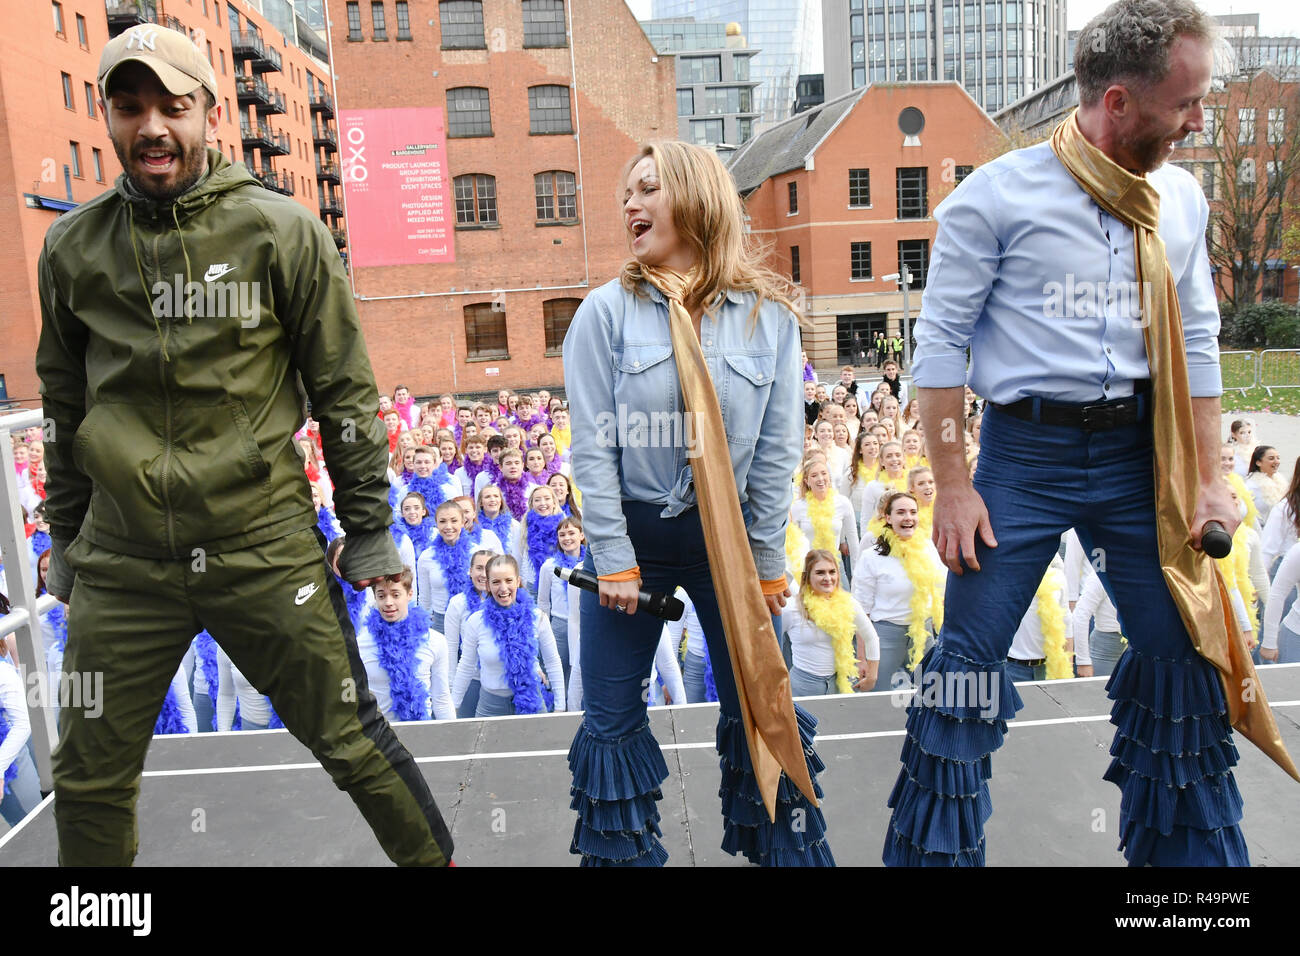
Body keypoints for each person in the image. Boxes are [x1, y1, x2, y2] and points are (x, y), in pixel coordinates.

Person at [884, 0, 1291, 868]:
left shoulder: (1180, 199)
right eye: (1184, 104)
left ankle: (1183, 895)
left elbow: (1198, 342)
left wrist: (1212, 477)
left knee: (1182, 663)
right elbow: (942, 348)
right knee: (961, 671)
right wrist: (954, 486)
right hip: (1022, 464)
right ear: (1117, 102)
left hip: (1140, 463)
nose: (1196, 120)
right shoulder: (993, 198)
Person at [34, 26, 453, 866]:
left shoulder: (282, 230)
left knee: (351, 741)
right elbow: (62, 404)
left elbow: (343, 390)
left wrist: (368, 528)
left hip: (260, 546)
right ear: (110, 119)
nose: (151, 126)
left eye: (171, 106)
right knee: (85, 776)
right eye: (129, 108)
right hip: (123, 559)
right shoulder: (71, 247)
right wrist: (69, 540)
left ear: (211, 113)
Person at [563, 141, 832, 867]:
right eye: (628, 192)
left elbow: (778, 452)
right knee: (612, 727)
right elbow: (591, 447)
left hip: (731, 549)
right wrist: (614, 559)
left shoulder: (768, 317)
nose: (631, 205)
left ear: (698, 197)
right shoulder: (603, 314)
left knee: (764, 715)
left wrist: (769, 562)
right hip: (633, 546)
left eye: (648, 188)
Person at [851, 491, 945, 690]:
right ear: (888, 518)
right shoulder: (871, 557)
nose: (908, 518)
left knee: (930, 695)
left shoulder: (928, 548)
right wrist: (863, 657)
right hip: (885, 635)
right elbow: (861, 611)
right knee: (878, 697)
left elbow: (941, 592)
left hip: (923, 632)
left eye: (913, 512)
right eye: (901, 512)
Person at [451, 554, 565, 717]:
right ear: (488, 586)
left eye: (508, 580)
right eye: (496, 582)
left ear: (518, 582)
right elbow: (466, 666)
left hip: (531, 703)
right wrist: (453, 706)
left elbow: (552, 661)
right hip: (490, 707)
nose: (503, 588)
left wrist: (560, 706)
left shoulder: (537, 617)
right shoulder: (476, 621)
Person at [356, 568, 455, 722]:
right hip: (378, 733)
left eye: (395, 595)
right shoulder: (361, 644)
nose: (388, 602)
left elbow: (441, 697)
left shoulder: (435, 641)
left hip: (421, 732)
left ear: (409, 594)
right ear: (375, 597)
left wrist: (453, 737)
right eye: (381, 596)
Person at [782, 549, 878, 697]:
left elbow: (871, 637)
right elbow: (769, 641)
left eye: (832, 572)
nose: (828, 578)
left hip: (838, 684)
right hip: (803, 685)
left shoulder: (848, 603)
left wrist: (872, 675)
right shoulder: (792, 607)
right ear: (807, 576)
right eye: (820, 573)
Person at [1245, 445, 1286, 528]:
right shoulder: (1251, 486)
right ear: (1258, 462)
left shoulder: (1282, 483)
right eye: (1271, 458)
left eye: (1278, 458)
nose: (1276, 461)